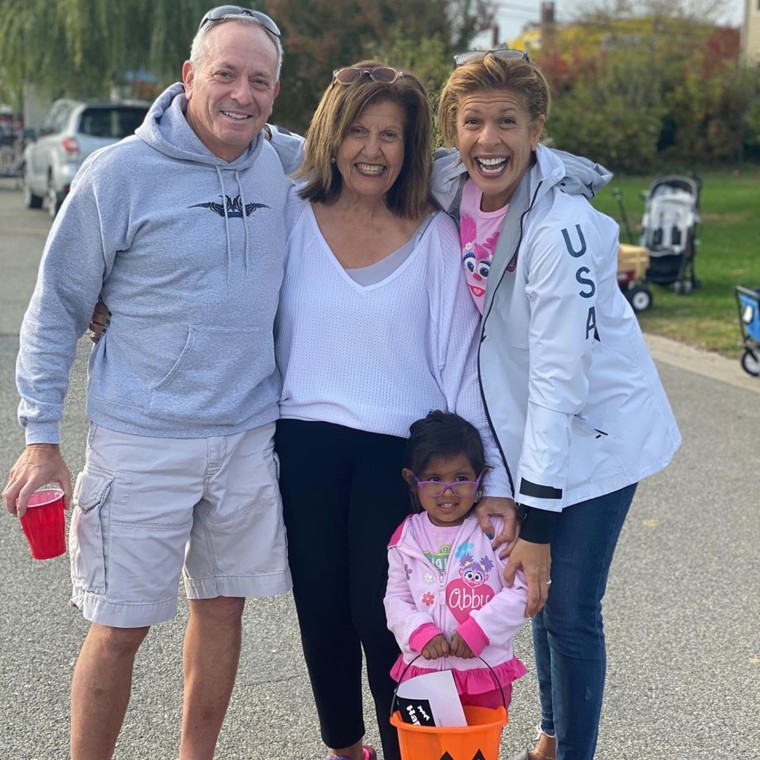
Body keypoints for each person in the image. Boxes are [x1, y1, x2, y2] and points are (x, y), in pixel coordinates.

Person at [2, 7, 292, 759]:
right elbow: (56, 309)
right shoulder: (118, 175)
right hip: (142, 439)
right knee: (120, 625)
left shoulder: (290, 163)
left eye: (259, 80)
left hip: (247, 438)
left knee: (223, 611)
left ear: (276, 90)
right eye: (225, 74)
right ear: (190, 76)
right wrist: (40, 440)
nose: (242, 94)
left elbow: (393, 157)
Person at [431, 49, 682, 760]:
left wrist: (533, 520)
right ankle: (549, 734)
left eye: (507, 122)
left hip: (597, 438)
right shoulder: (456, 186)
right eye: (472, 122)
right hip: (534, 437)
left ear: (536, 128)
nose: (488, 140)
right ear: (453, 130)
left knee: (568, 607)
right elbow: (356, 152)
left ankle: (572, 751)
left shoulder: (560, 227)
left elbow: (557, 383)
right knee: (535, 598)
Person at [273, 62, 512, 760]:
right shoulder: (289, 214)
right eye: (357, 131)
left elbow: (462, 370)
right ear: (330, 136)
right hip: (305, 446)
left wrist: (489, 484)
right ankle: (346, 749)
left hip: (398, 460)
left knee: (389, 624)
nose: (372, 150)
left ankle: (415, 749)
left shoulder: (438, 237)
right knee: (321, 611)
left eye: (391, 135)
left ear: (412, 149)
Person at [384, 411, 528, 711]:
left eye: (461, 479)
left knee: (477, 751)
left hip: (484, 671)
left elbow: (521, 591)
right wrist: (418, 631)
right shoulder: (405, 537)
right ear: (412, 480)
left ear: (481, 478)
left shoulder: (494, 532)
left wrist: (481, 628)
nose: (448, 492)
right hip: (423, 670)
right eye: (434, 479)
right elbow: (395, 599)